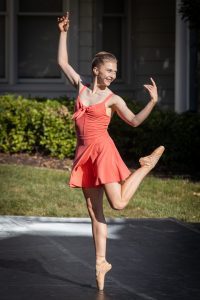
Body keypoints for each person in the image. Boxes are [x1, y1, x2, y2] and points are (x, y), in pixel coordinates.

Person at [57, 12, 165, 291]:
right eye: (109, 71)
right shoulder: (80, 88)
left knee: (118, 204)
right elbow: (62, 63)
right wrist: (63, 32)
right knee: (95, 212)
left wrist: (152, 102)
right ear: (96, 70)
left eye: (115, 72)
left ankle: (145, 167)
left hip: (103, 152)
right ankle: (101, 262)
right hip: (84, 156)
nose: (113, 75)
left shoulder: (112, 98)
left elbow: (134, 121)